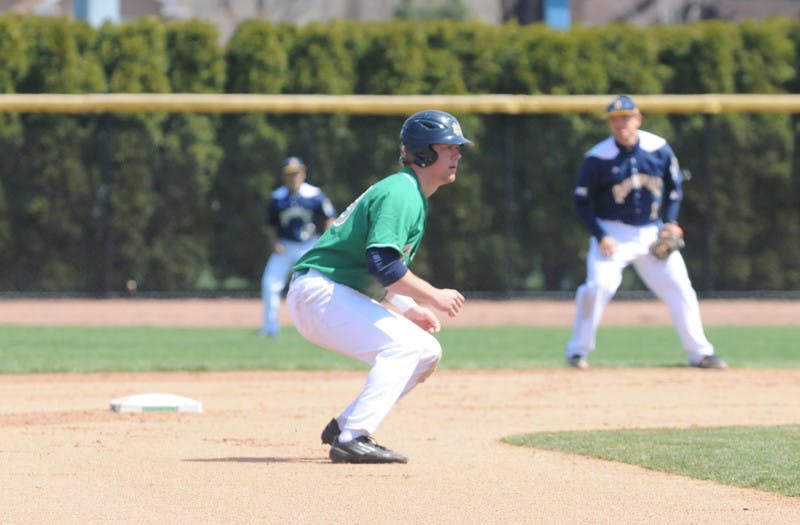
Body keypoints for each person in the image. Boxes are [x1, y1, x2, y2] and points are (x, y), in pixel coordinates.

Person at [286, 110, 471, 463]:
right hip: (319, 292)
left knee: (426, 352)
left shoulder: (409, 192)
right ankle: (354, 436)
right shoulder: (401, 192)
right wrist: (433, 296)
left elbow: (373, 269)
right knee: (402, 348)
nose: (457, 154)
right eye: (448, 147)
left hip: (332, 291)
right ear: (423, 153)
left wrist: (409, 308)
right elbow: (382, 264)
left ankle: (345, 425)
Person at [564, 95, 726, 370]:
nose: (620, 123)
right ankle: (577, 352)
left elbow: (675, 190)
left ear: (638, 119)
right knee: (598, 288)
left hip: (652, 232)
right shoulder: (597, 157)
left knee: (680, 288)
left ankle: (700, 353)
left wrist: (670, 222)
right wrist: (600, 234)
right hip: (612, 234)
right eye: (614, 119)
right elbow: (581, 202)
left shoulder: (658, 148)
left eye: (626, 117)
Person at [259, 156, 336, 337]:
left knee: (321, 285)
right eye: (289, 174)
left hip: (310, 245)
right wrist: (275, 243)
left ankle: (325, 327)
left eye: (296, 173)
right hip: (285, 246)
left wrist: (324, 243)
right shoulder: (277, 197)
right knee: (270, 284)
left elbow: (330, 218)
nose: (293, 177)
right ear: (284, 176)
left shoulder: (314, 194)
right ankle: (270, 328)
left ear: (303, 173)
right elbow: (270, 224)